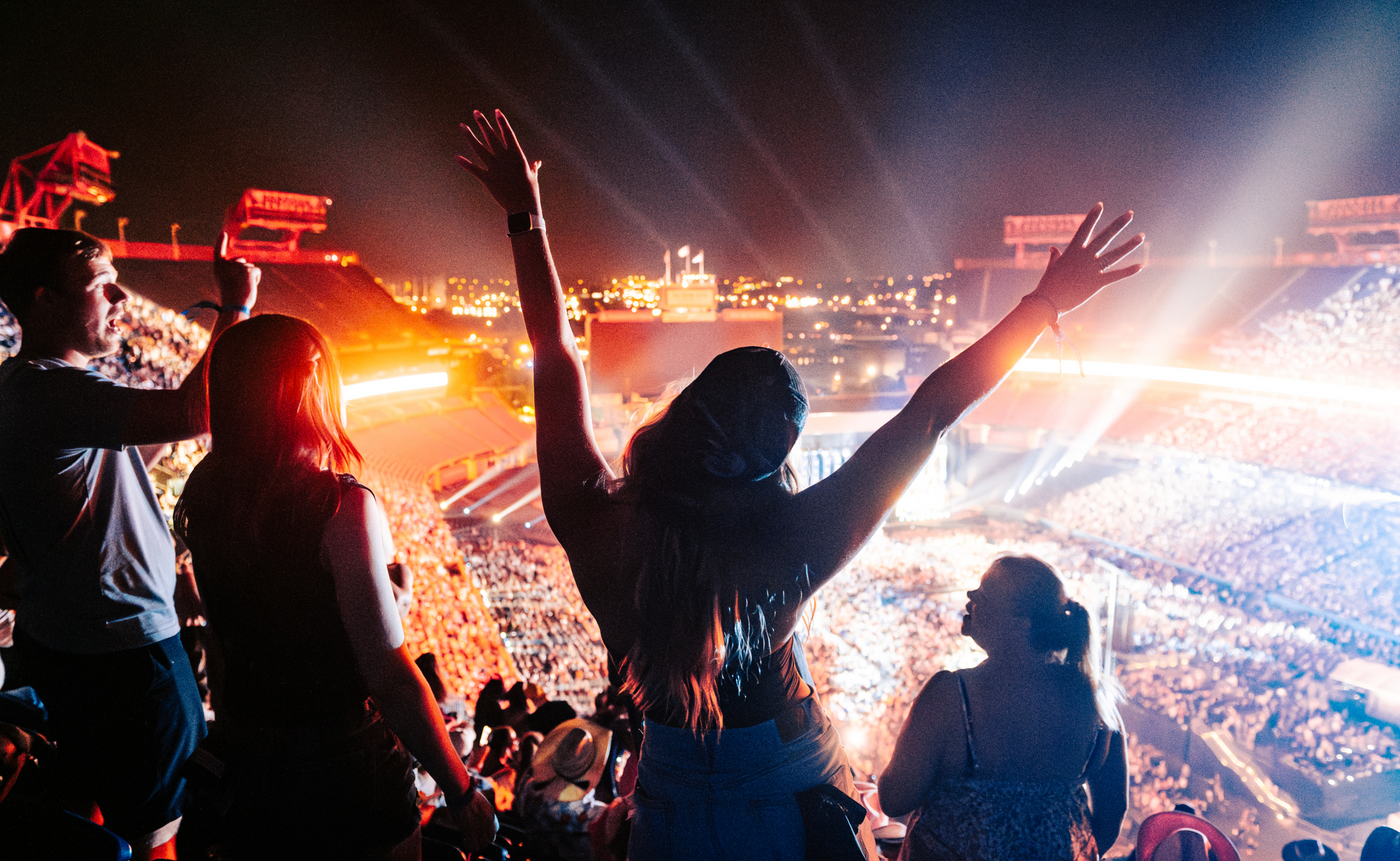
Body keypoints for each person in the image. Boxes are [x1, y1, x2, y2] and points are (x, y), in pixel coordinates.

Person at [458, 109, 1143, 861]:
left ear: (691, 409)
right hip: (791, 792)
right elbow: (934, 409)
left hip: (670, 794)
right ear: (770, 461)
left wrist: (527, 214)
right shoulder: (791, 540)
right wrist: (1043, 305)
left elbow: (555, 352)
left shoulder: (595, 518)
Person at [171, 314, 496, 859]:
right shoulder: (341, 506)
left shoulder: (205, 492)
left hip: (253, 762)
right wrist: (461, 791)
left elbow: (230, 640)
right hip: (344, 769)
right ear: (311, 385)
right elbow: (388, 674)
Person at [0, 228, 257, 859]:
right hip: (122, 655)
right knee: (159, 836)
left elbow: (140, 450)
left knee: (86, 811)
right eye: (99, 283)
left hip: (65, 642)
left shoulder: (23, 387)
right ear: (43, 301)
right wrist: (235, 308)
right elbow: (198, 411)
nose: (120, 295)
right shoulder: (48, 388)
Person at [878, 556, 1129, 860]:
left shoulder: (949, 695)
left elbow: (894, 798)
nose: (970, 597)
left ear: (1022, 623)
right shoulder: (1094, 702)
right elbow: (1110, 816)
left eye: (984, 593)